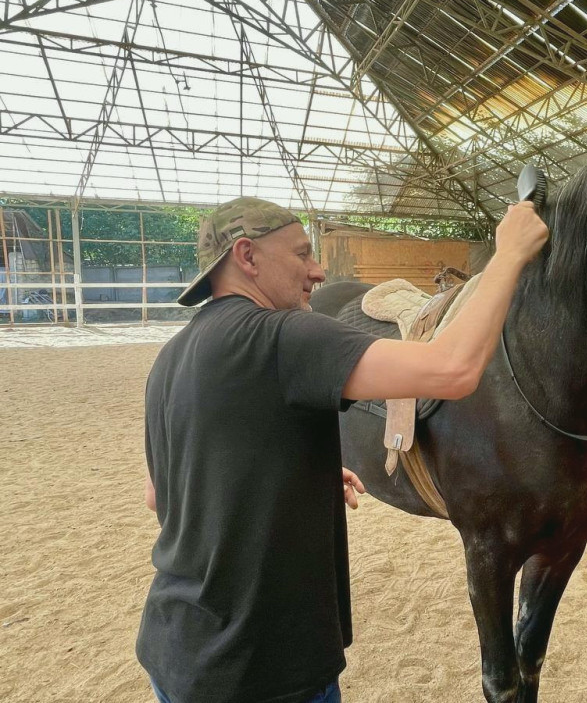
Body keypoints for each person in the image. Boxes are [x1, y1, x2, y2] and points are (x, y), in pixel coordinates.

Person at [138, 196, 547, 703]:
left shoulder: (170, 358)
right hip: (261, 669)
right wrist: (509, 254)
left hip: (174, 648)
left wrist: (293, 473)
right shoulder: (285, 336)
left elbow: (161, 494)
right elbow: (453, 369)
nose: (318, 270)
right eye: (301, 254)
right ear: (247, 256)